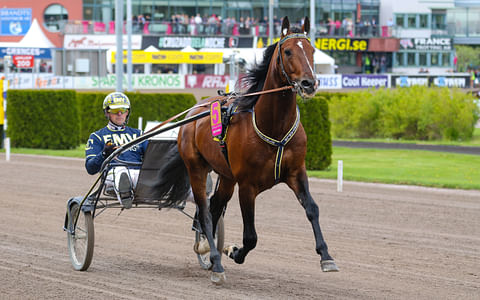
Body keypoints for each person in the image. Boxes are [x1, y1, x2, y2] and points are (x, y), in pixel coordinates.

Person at [85, 92, 148, 209]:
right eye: (115, 110)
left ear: (127, 112)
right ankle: (125, 195)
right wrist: (103, 154)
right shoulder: (97, 137)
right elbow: (90, 168)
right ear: (107, 112)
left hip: (138, 175)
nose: (119, 113)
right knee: (121, 172)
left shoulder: (139, 134)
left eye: (123, 109)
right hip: (112, 175)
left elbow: (152, 156)